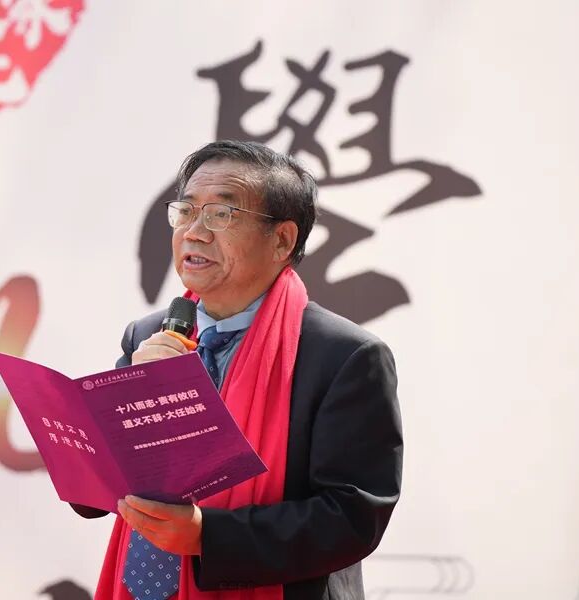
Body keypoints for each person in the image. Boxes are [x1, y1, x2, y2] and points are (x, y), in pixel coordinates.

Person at [73, 140, 403, 600]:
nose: (194, 232)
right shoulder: (147, 336)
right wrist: (124, 402)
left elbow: (352, 519)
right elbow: (92, 497)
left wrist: (207, 536)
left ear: (282, 240)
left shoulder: (345, 356)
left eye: (221, 215)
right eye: (186, 211)